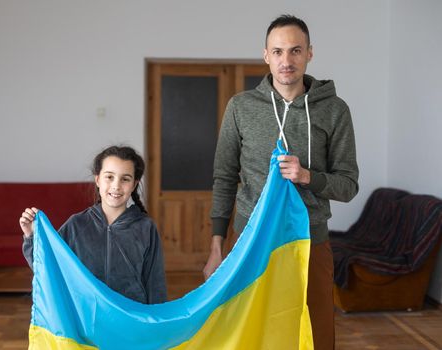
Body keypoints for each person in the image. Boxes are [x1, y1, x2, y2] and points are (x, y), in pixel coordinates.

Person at [203, 14, 359, 350]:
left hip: (310, 240)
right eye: (278, 52)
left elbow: (348, 185)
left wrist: (308, 177)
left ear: (310, 54)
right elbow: (224, 176)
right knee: (246, 331)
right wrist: (217, 245)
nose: (286, 61)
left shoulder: (335, 110)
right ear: (265, 55)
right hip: (249, 238)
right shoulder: (240, 107)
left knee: (316, 334)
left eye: (295, 51)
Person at [20, 145, 167, 305]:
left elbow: (155, 283)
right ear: (97, 179)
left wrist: (156, 324)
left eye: (125, 179)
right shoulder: (76, 224)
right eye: (109, 177)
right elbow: (48, 266)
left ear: (133, 184)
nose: (116, 185)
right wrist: (31, 235)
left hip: (130, 319)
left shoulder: (146, 228)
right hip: (86, 317)